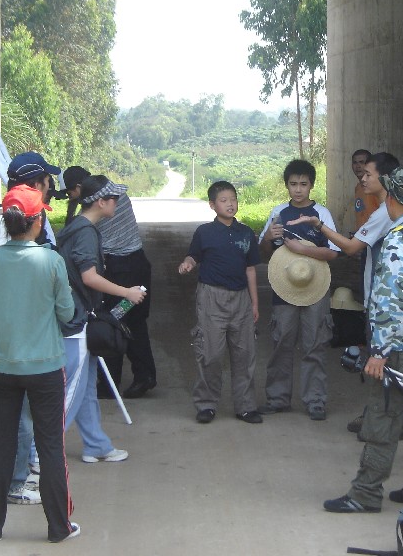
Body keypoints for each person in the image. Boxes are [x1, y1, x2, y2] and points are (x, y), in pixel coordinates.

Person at [323, 168, 403, 513]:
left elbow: (389, 301)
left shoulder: (396, 240)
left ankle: (365, 493)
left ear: (392, 199)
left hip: (399, 349)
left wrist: (378, 352)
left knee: (383, 417)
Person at [0, 185, 79, 543]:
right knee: (50, 447)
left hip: (0, 366)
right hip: (45, 367)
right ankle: (59, 527)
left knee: (2, 444)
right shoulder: (51, 261)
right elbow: (66, 312)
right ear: (38, 222)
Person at [287, 152, 400, 433]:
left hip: (384, 299)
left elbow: (349, 248)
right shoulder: (397, 209)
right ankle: (385, 416)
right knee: (392, 361)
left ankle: (381, 420)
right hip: (394, 298)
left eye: (369, 174)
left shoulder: (385, 212)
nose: (363, 177)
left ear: (386, 179)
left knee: (380, 360)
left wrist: (318, 227)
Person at [56, 175, 142, 464]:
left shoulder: (78, 227)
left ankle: (96, 445)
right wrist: (127, 292)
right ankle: (39, 453)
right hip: (75, 323)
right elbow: (89, 277)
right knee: (71, 391)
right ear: (100, 202)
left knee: (85, 387)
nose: (117, 202)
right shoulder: (86, 233)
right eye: (113, 198)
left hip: (77, 319)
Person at [61, 165, 157, 399]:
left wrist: (125, 292)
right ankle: (144, 375)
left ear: (80, 189)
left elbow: (87, 270)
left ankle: (109, 383)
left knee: (112, 321)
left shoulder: (92, 217)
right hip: (137, 266)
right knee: (135, 322)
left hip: (119, 271)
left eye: (70, 193)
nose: (71, 198)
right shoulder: (108, 199)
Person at [259, 159, 340, 421]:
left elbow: (333, 252)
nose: (298, 189)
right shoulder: (278, 212)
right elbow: (264, 253)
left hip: (316, 286)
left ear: (311, 185)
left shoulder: (322, 214)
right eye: (293, 184)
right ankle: (278, 398)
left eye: (303, 184)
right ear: (286, 185)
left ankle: (315, 400)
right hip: (283, 287)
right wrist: (268, 238)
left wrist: (301, 250)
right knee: (281, 342)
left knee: (314, 343)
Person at [178, 181, 261, 424]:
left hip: (241, 298)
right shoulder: (204, 232)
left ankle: (245, 406)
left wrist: (254, 302)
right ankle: (206, 404)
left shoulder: (246, 233)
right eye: (224, 200)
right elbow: (193, 255)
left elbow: (250, 269)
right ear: (212, 205)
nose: (230, 204)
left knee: (245, 354)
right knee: (210, 354)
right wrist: (187, 264)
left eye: (233, 199)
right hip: (212, 297)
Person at [351, 149, 379, 231]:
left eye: (361, 162)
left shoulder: (375, 188)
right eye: (355, 162)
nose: (358, 166)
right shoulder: (358, 188)